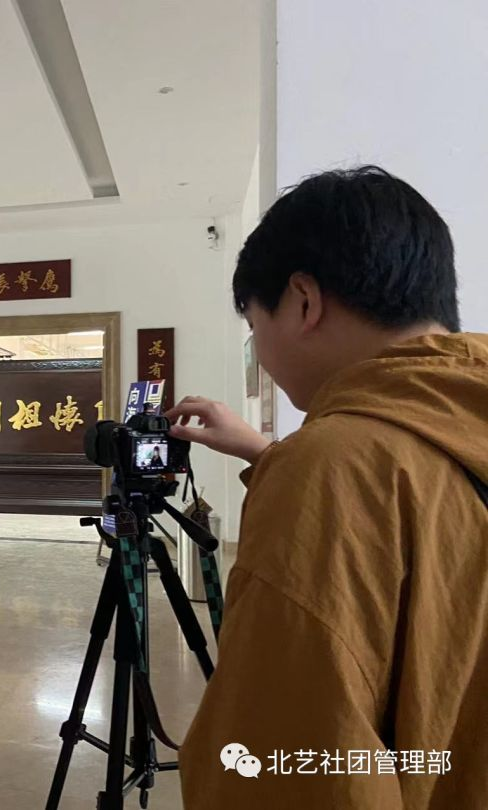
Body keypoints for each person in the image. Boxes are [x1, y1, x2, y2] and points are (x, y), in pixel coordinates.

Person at [166, 166, 487, 808]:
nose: (260, 352)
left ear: (304, 301)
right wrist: (269, 455)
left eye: (255, 326)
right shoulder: (458, 418)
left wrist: (302, 467)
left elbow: (293, 770)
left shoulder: (329, 469)